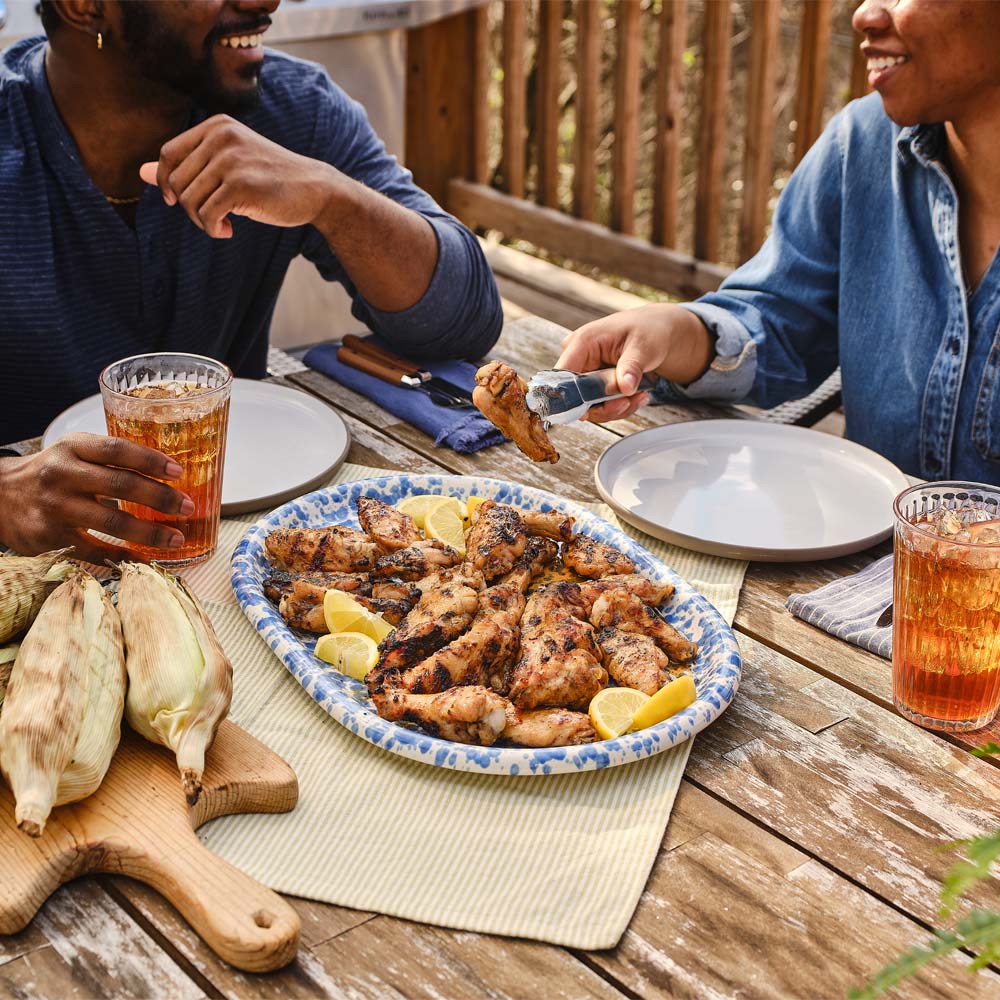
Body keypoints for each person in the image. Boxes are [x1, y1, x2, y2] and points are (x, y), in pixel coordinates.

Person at [0, 0, 502, 561]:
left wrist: (332, 198)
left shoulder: (293, 112)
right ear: (85, 7)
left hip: (246, 550)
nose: (266, 2)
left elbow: (465, 320)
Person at [558, 0, 1000, 487]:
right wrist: (673, 331)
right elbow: (784, 324)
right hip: (859, 559)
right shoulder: (861, 143)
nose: (865, 15)